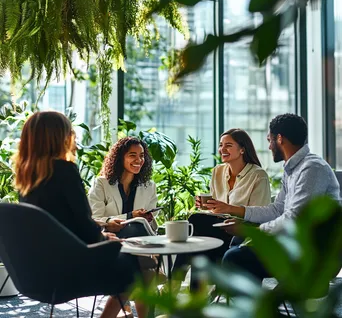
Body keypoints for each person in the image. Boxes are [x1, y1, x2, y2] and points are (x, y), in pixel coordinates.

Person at [13, 111, 149, 318]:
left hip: (35, 270)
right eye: (70, 130)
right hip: (68, 267)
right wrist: (103, 238)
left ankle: (127, 314)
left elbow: (57, 224)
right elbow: (83, 226)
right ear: (60, 137)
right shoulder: (65, 170)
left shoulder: (26, 178)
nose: (74, 134)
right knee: (135, 266)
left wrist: (103, 230)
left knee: (132, 261)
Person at [222, 113, 341, 282]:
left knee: (235, 257)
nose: (269, 147)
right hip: (295, 244)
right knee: (238, 242)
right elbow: (277, 209)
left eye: (269, 140)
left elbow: (294, 219)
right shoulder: (291, 169)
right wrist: (239, 214)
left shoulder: (312, 169)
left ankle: (257, 305)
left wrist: (253, 231)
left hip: (313, 253)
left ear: (279, 139)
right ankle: (257, 303)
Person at [172, 128, 271, 286]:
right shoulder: (218, 171)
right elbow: (216, 210)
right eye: (221, 145)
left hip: (240, 235)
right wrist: (206, 206)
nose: (222, 149)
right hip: (217, 231)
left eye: (228, 145)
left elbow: (261, 217)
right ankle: (194, 298)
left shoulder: (258, 176)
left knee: (195, 224)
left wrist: (227, 209)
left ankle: (175, 284)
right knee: (199, 240)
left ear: (242, 149)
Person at [88, 136, 158, 238]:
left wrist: (148, 218)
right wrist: (130, 216)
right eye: (132, 155)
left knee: (137, 229)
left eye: (141, 156)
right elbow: (95, 218)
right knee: (134, 229)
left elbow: (150, 226)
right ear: (120, 158)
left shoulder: (150, 187)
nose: (139, 160)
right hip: (111, 238)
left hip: (141, 240)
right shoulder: (101, 183)